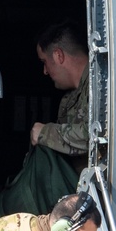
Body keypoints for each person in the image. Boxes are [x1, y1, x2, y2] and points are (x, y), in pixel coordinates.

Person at [30, 20, 89, 158]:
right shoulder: (70, 98)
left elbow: (96, 135)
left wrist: (44, 133)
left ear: (58, 56)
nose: (45, 71)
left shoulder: (103, 86)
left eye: (44, 62)